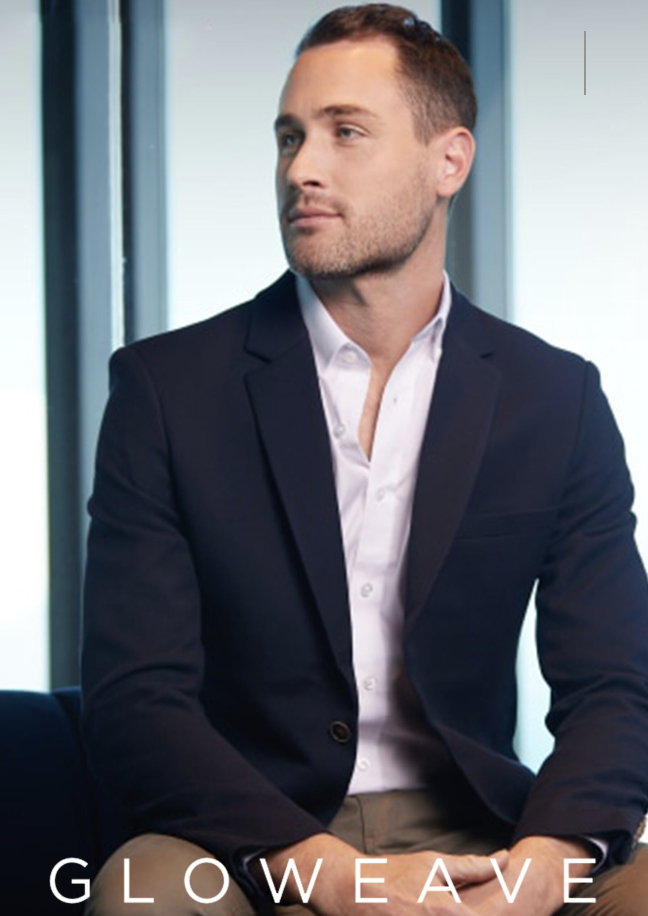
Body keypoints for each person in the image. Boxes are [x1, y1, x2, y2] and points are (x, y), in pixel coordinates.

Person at [81, 5, 648, 915]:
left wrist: (545, 864)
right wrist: (334, 875)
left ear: (448, 161)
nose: (300, 168)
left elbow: (615, 687)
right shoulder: (166, 389)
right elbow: (136, 701)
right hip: (250, 837)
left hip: (482, 827)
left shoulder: (556, 398)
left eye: (345, 132)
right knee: (147, 895)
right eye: (290, 137)